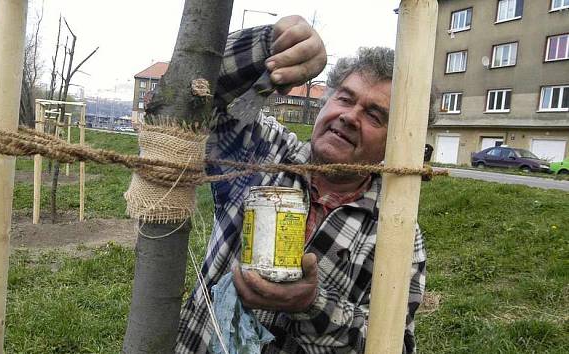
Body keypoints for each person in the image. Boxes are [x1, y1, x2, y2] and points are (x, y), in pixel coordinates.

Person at [176, 16, 426, 354]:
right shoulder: (265, 151)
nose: (350, 116)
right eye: (345, 99)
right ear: (325, 102)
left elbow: (398, 344)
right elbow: (191, 98)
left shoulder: (395, 229)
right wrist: (269, 45)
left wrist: (313, 305)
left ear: (395, 142)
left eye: (374, 115)